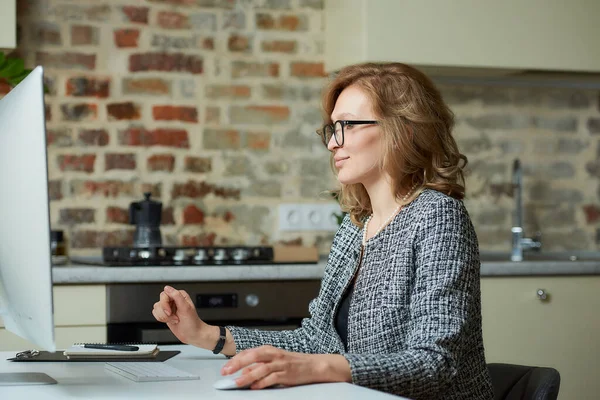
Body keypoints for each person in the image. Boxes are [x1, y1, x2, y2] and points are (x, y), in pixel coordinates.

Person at [152, 62, 495, 400]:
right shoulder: (355, 225)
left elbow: (435, 364)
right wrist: (207, 335)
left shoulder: (437, 215)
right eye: (332, 129)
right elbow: (315, 342)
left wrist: (320, 368)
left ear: (402, 130)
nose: (333, 144)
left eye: (347, 125)